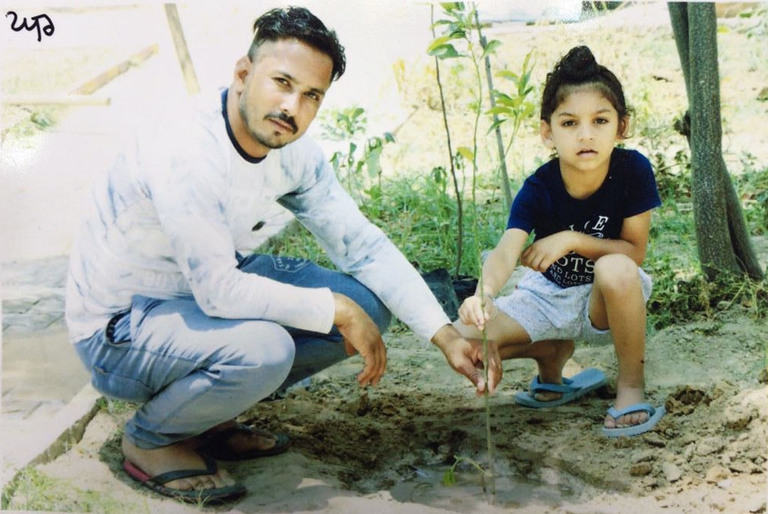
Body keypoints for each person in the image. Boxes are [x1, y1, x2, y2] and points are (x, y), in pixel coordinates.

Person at [65, 6, 501, 504]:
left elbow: (362, 245)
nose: (292, 106)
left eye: (311, 95)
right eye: (281, 82)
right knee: (269, 348)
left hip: (198, 295)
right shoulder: (187, 148)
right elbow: (219, 291)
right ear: (243, 74)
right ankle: (151, 439)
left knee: (367, 300)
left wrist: (443, 335)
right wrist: (333, 309)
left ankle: (208, 416)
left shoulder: (294, 151)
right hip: (120, 327)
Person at [456, 45, 665, 438]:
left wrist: (570, 239)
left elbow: (634, 252)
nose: (586, 134)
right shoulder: (539, 186)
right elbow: (506, 250)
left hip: (605, 300)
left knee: (616, 267)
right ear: (547, 132)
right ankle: (550, 358)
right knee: (462, 337)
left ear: (621, 126)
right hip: (547, 297)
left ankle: (631, 387)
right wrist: (483, 293)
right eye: (569, 123)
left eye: (600, 120)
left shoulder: (633, 170)